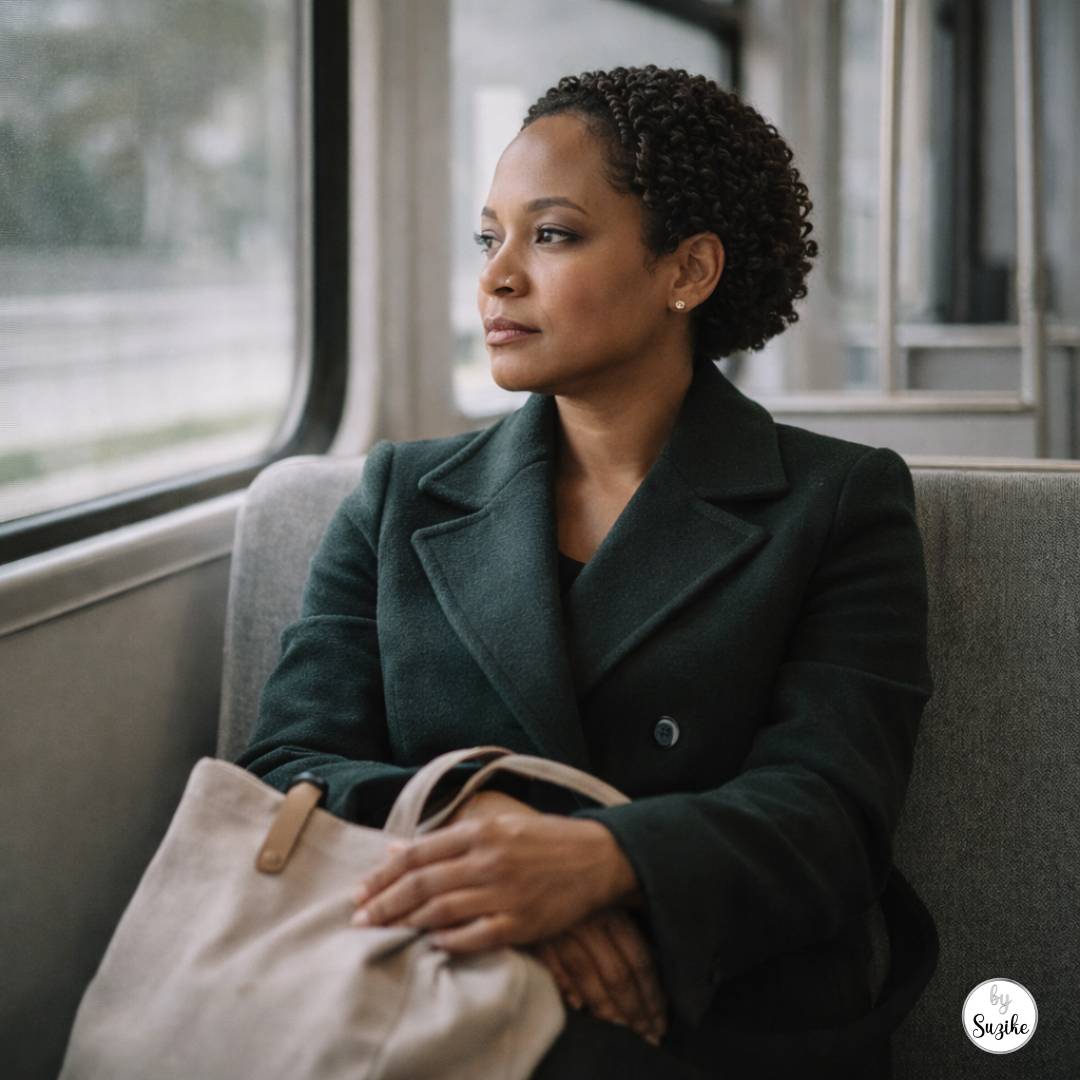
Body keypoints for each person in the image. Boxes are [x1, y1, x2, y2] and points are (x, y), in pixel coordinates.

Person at [236, 64, 938, 1079]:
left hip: (709, 1015)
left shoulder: (838, 504)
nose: (496, 276)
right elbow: (285, 766)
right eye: (490, 237)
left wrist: (602, 867)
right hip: (422, 986)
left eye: (551, 234)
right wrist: (487, 839)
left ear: (687, 271)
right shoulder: (402, 495)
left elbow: (829, 816)